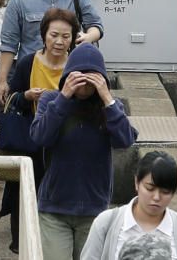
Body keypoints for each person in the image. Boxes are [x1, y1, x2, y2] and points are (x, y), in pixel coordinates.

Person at [31, 43, 138, 260]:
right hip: (54, 207)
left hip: (94, 209)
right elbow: (39, 137)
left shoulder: (109, 108)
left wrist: (107, 99)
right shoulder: (51, 100)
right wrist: (64, 97)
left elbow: (125, 140)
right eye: (78, 76)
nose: (84, 83)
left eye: (92, 78)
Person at [0, 8, 81, 255]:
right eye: (54, 34)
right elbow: (10, 98)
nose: (59, 41)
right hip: (31, 143)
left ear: (73, 38)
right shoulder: (28, 62)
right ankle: (22, 247)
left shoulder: (78, 65)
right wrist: (26, 96)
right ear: (44, 35)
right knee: (24, 198)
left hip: (66, 147)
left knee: (58, 205)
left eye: (65, 36)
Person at [0, 0, 104, 105]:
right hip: (32, 73)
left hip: (71, 74)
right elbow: (8, 44)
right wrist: (2, 80)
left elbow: (96, 26)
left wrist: (88, 37)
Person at [80, 151, 177, 260]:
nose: (156, 197)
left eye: (165, 192)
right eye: (150, 188)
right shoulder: (105, 223)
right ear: (137, 182)